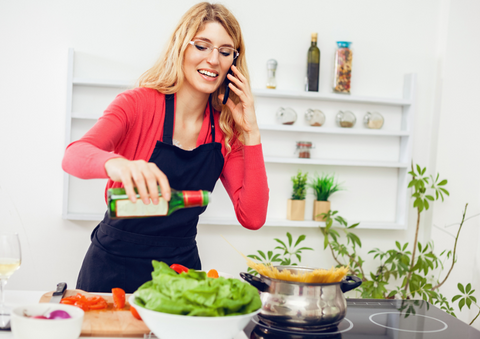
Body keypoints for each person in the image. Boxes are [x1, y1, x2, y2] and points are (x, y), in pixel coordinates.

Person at [62, 2, 269, 293]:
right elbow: (74, 155)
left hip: (180, 276)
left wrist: (252, 132)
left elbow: (253, 217)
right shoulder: (137, 104)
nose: (213, 60)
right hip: (112, 270)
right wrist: (120, 164)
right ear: (181, 47)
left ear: (233, 64)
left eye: (225, 52)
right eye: (202, 46)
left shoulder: (226, 129)